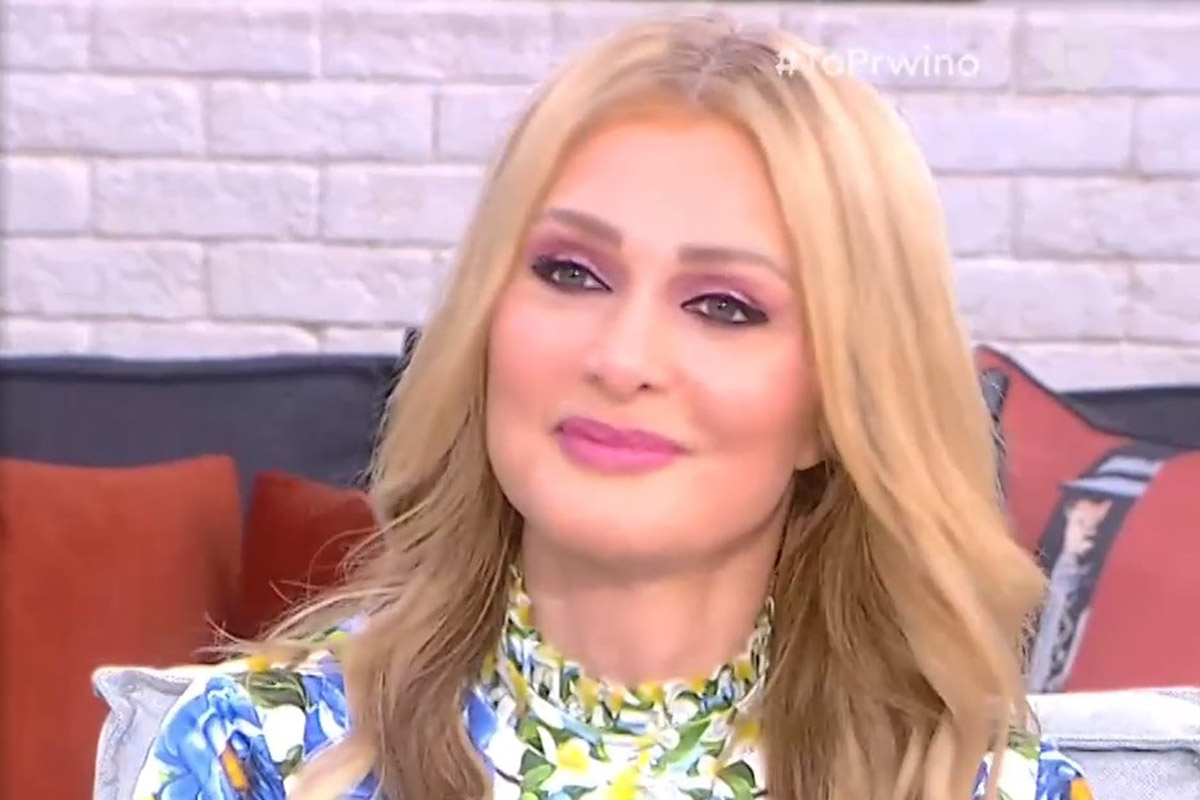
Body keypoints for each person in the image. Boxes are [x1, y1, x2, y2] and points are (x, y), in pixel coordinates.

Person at [126, 13, 1095, 800]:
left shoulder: (977, 781)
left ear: (834, 406)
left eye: (725, 306)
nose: (622, 358)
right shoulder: (254, 752)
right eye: (570, 272)